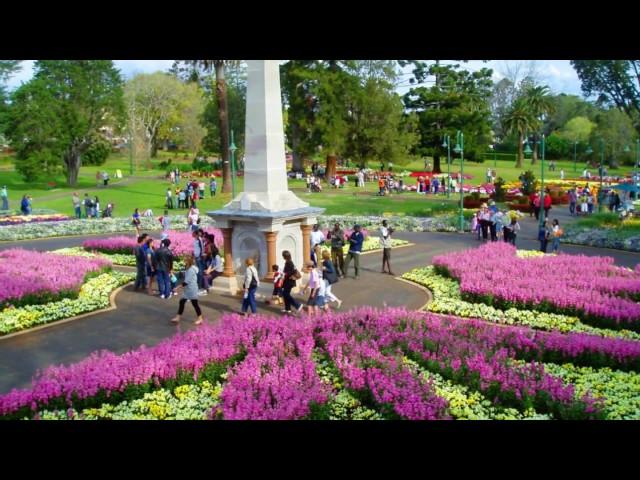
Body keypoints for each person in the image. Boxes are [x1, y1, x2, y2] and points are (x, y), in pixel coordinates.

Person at [170, 254, 204, 325]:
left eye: (185, 260)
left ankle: (200, 318)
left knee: (194, 304)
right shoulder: (188, 268)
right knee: (182, 302)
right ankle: (178, 317)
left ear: (189, 261)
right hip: (188, 289)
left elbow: (186, 282)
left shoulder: (191, 270)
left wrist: (177, 288)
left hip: (192, 289)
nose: (184, 261)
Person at [281, 250, 303, 314]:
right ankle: (287, 309)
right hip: (287, 281)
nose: (283, 257)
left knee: (286, 294)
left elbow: (293, 271)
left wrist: (285, 274)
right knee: (285, 294)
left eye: (283, 256)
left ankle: (297, 305)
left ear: (285, 256)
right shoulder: (288, 262)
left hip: (289, 281)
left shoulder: (289, 262)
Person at [193, 229, 207, 294]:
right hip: (198, 257)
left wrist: (200, 255)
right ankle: (199, 285)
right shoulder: (196, 240)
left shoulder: (199, 240)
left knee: (200, 272)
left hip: (199, 257)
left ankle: (199, 286)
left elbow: (201, 248)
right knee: (199, 271)